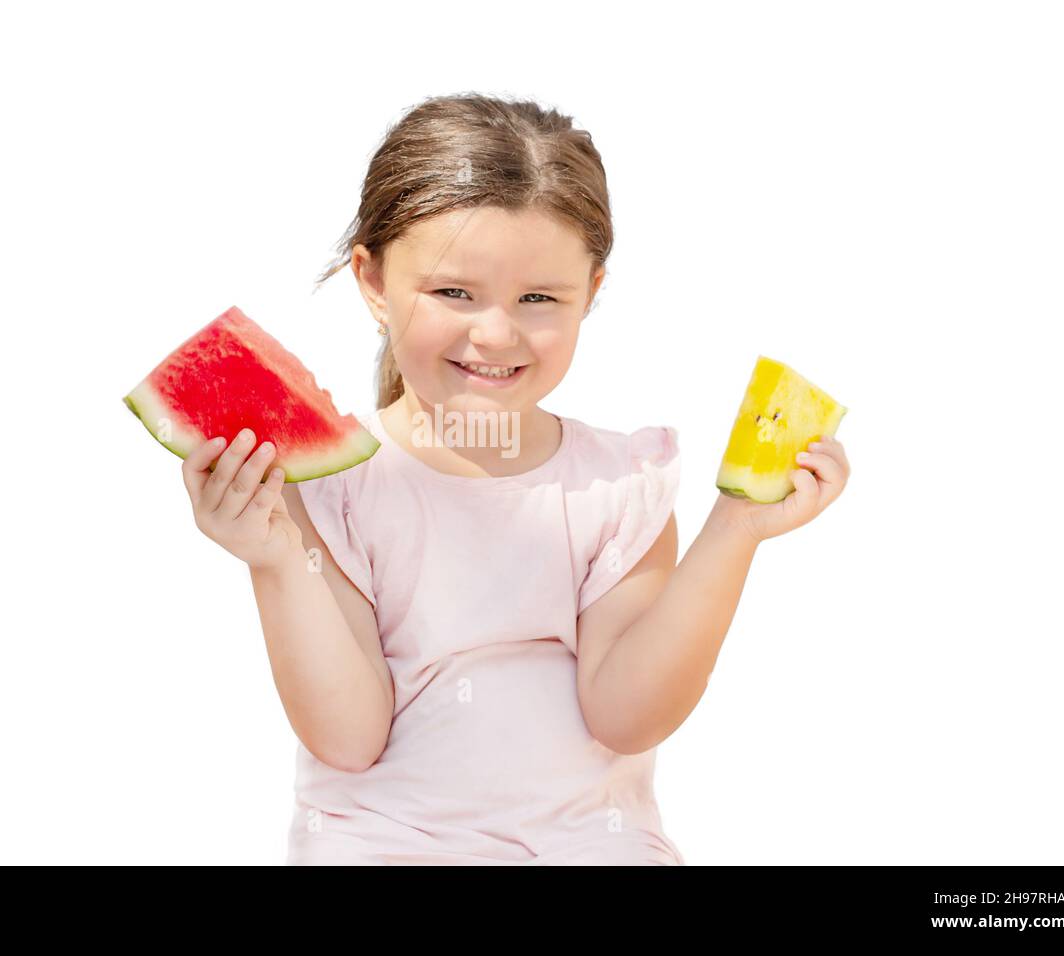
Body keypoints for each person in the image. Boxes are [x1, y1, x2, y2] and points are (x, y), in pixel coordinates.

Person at [179, 93, 851, 865]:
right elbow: (348, 736)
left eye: (538, 298)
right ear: (372, 281)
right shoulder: (328, 489)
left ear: (593, 292)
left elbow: (626, 715)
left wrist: (736, 531)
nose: (495, 332)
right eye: (453, 292)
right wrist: (273, 560)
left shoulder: (618, 486)